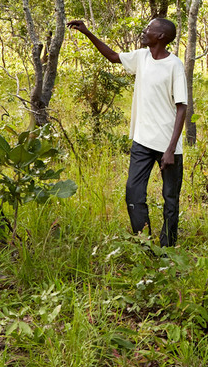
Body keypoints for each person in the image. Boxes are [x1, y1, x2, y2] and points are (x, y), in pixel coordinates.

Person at [67, 18, 188, 246]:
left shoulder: (174, 65)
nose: (144, 31)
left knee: (170, 199)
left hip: (168, 145)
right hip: (142, 141)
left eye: (149, 29)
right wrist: (87, 33)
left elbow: (182, 108)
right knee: (133, 192)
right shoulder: (141, 57)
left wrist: (171, 149)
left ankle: (168, 247)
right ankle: (145, 242)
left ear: (161, 36)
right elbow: (113, 57)